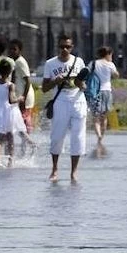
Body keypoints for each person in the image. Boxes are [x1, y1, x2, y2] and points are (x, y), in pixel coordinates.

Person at [42, 35, 87, 182]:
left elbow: (83, 85)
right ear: (58, 47)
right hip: (60, 101)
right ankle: (54, 169)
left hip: (77, 101)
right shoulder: (50, 64)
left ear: (72, 47)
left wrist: (80, 83)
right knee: (57, 136)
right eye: (62, 47)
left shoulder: (78, 62)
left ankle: (73, 172)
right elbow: (44, 88)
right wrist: (56, 80)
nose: (64, 50)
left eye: (67, 47)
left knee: (78, 137)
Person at [0, 59, 27, 167]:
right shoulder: (10, 85)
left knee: (0, 139)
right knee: (10, 137)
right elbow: (11, 100)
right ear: (10, 71)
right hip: (7, 112)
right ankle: (10, 161)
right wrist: (20, 98)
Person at [89, 46, 119, 144]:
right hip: (107, 91)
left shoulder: (93, 63)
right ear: (108, 54)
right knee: (104, 117)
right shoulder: (110, 64)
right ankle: (102, 136)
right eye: (111, 55)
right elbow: (116, 75)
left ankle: (99, 136)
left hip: (95, 92)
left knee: (96, 117)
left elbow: (86, 72)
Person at [9, 39, 36, 139]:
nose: (12, 51)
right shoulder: (14, 61)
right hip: (19, 96)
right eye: (10, 49)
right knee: (18, 121)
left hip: (25, 97)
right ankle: (26, 144)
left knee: (23, 121)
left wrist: (24, 97)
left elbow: (28, 81)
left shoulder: (21, 62)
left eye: (14, 49)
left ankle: (28, 144)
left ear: (19, 50)